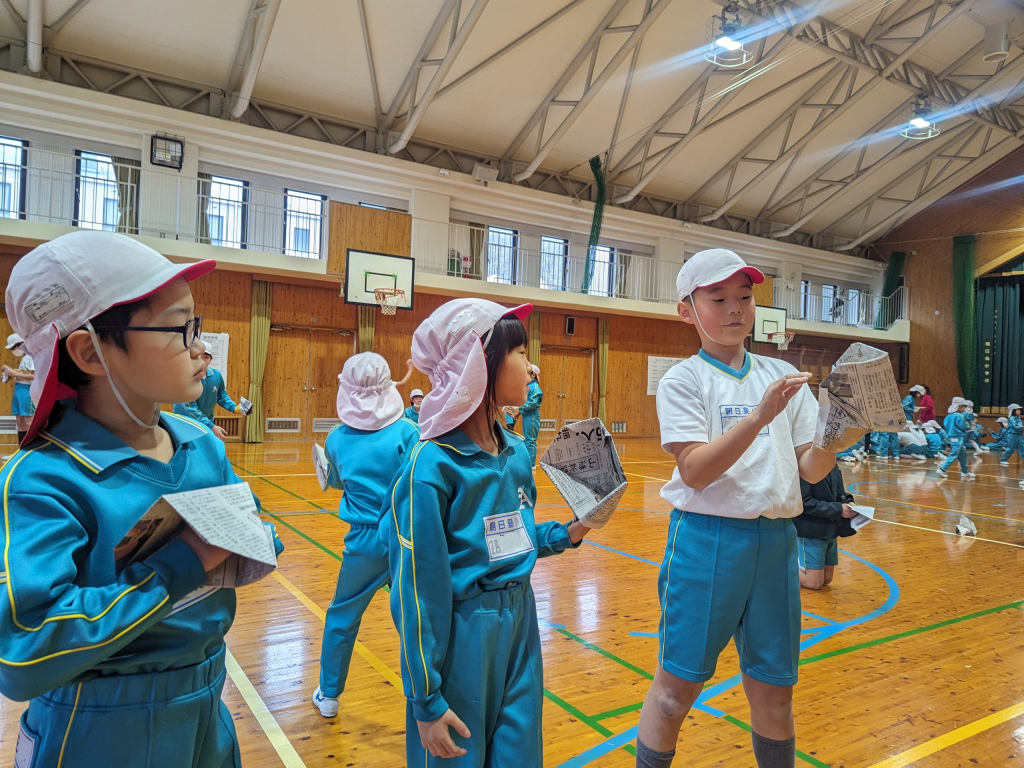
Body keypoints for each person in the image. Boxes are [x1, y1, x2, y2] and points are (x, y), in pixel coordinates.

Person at [0, 230, 282, 767]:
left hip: (206, 696)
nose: (201, 348)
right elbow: (22, 654)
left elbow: (248, 534)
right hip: (99, 726)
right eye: (181, 329)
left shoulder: (202, 446)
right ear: (90, 351)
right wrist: (185, 561)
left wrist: (251, 540)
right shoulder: (43, 481)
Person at [636, 249, 839, 768]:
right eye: (718, 298)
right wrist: (758, 414)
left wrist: (846, 430)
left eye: (744, 298)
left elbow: (811, 469)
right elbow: (696, 471)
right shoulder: (685, 380)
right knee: (674, 691)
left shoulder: (780, 374)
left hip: (775, 543)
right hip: (707, 541)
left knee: (775, 692)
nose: (735, 309)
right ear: (687, 310)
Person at [382, 298, 592, 766]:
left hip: (522, 625)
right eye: (520, 353)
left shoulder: (515, 451)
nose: (531, 366)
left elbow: (513, 537)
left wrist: (573, 529)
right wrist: (425, 697)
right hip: (462, 638)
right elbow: (417, 591)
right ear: (478, 364)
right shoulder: (430, 467)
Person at [312, 353, 420, 718]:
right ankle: (425, 691)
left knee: (342, 615)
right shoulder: (408, 431)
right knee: (415, 618)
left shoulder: (336, 439)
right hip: (406, 539)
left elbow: (338, 481)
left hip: (363, 542)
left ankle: (328, 695)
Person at [795, 464, 858, 590]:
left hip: (830, 528)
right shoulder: (804, 465)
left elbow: (839, 493)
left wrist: (848, 502)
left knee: (826, 579)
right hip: (810, 529)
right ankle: (778, 569)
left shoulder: (832, 463)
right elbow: (804, 502)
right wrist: (838, 509)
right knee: (813, 583)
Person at [173, 340, 241, 440]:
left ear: (210, 359)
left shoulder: (216, 375)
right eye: (198, 356)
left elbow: (221, 395)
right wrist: (211, 426)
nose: (201, 361)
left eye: (206, 357)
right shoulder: (185, 377)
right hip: (186, 423)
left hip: (207, 422)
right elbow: (189, 409)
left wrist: (233, 408)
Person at [2, 333, 35, 445]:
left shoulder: (30, 357)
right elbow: (24, 373)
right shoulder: (24, 358)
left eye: (13, 347)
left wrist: (13, 372)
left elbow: (35, 376)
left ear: (21, 344)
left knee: (28, 421)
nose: (12, 350)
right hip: (18, 389)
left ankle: (31, 449)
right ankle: (22, 448)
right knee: (20, 421)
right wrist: (12, 373)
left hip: (27, 390)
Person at [938, 397, 974, 480]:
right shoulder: (959, 416)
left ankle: (964, 472)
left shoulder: (948, 416)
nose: (965, 409)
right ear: (959, 406)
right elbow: (964, 426)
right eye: (964, 407)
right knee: (954, 453)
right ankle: (942, 469)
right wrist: (968, 426)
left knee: (962, 454)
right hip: (958, 436)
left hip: (951, 436)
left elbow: (946, 425)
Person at [519, 363, 543, 466]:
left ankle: (531, 464)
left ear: (533, 375)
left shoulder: (534, 387)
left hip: (532, 416)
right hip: (527, 414)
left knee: (530, 440)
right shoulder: (529, 386)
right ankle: (527, 462)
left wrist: (519, 409)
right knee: (526, 439)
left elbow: (532, 403)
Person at [999, 404, 1023, 468]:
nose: (1019, 411)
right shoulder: (1012, 418)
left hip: (1019, 435)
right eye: (1018, 410)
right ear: (1013, 411)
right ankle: (1003, 459)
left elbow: (1020, 426)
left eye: (1019, 410)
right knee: (1011, 448)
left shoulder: (1018, 418)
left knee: (1022, 447)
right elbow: (1016, 427)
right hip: (1012, 435)